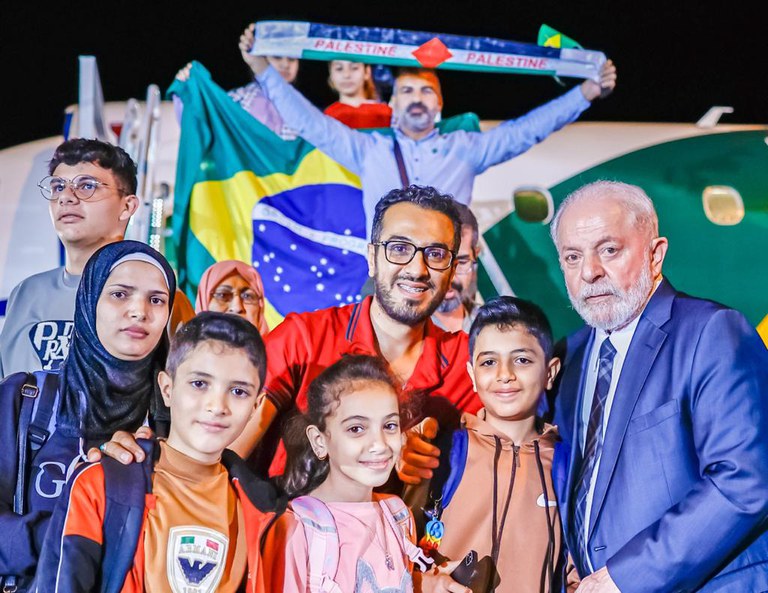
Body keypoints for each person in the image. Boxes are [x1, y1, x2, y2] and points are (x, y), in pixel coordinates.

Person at [548, 180, 768, 592]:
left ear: (655, 254)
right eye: (572, 256)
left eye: (609, 250)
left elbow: (745, 480)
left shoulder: (711, 332)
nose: (589, 272)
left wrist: (624, 578)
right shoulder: (571, 357)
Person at [239, 23, 617, 237]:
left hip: (447, 280)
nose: (416, 98)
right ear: (392, 105)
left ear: (439, 106)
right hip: (386, 284)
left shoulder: (465, 148)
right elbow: (311, 124)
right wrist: (262, 71)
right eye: (406, 91)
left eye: (426, 91)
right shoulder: (368, 150)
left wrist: (585, 93)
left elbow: (526, 130)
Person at [234, 185, 481, 479]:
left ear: (453, 269)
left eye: (436, 254)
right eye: (399, 249)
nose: (417, 269)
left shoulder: (471, 365)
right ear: (372, 258)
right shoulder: (303, 339)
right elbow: (227, 461)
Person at [34, 312, 286, 592]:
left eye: (238, 391)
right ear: (167, 388)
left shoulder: (264, 508)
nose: (217, 406)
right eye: (199, 383)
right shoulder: (102, 484)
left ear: (256, 405)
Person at [0, 240, 175, 591]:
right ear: (89, 300)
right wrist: (77, 535)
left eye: (156, 299)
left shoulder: (173, 421)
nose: (139, 311)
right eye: (120, 294)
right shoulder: (24, 400)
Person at [406, 296, 578, 593]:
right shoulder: (444, 453)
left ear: (549, 372)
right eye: (489, 362)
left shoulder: (567, 466)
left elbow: (577, 572)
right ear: (472, 375)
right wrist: (423, 581)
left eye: (522, 360)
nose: (504, 375)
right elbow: (388, 549)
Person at [262, 354, 467, 593]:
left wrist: (426, 586)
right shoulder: (298, 528)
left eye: (389, 425)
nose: (379, 444)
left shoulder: (397, 516)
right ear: (319, 441)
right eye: (356, 429)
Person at [0, 138, 139, 377]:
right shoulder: (26, 292)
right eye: (57, 186)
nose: (66, 197)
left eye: (86, 186)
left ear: (126, 207)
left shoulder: (153, 296)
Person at [173, 28, 299, 139]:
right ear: (261, 59)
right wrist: (188, 93)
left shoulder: (303, 109)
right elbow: (204, 126)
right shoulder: (241, 99)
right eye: (277, 57)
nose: (285, 64)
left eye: (292, 59)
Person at [432, 203, 481, 333]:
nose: (450, 277)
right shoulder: (397, 332)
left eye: (461, 262)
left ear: (475, 256)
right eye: (437, 259)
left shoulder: (492, 329)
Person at [195, 259, 270, 335]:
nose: (237, 308)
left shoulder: (276, 346)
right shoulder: (186, 346)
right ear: (203, 301)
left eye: (247, 296)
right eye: (223, 295)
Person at [324, 59, 393, 129]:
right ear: (331, 74)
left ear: (367, 72)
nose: (346, 75)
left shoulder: (385, 113)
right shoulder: (327, 117)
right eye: (339, 69)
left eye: (354, 68)